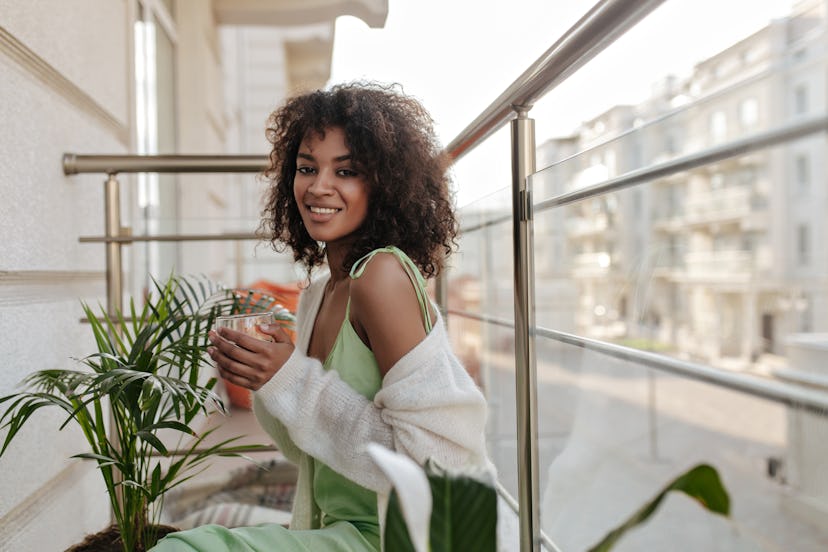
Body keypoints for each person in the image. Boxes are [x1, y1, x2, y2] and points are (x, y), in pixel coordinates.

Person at [150, 81, 493, 551]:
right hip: (337, 530)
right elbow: (314, 452)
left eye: (346, 170)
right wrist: (267, 380)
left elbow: (436, 463)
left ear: (385, 184)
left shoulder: (383, 277)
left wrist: (293, 380)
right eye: (307, 167)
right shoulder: (319, 294)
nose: (318, 186)